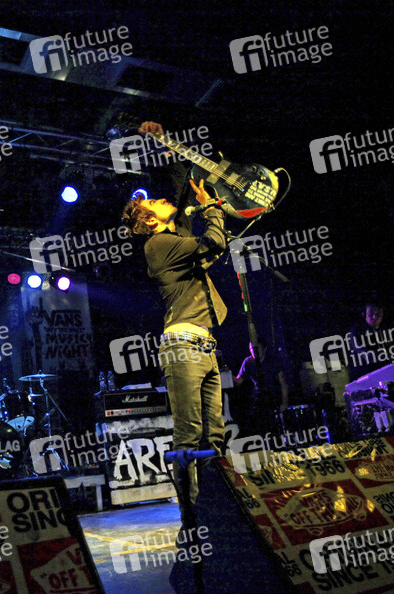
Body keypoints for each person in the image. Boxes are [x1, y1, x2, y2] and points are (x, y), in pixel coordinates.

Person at [121, 121, 227, 525]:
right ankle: (192, 519)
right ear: (149, 221)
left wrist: (165, 147)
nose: (162, 200)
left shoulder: (172, 234)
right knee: (189, 435)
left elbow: (180, 192)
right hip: (182, 346)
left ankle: (218, 510)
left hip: (203, 344)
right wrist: (213, 208)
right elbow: (214, 241)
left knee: (213, 435)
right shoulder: (159, 244)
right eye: (154, 203)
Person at [234, 336, 288, 435]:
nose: (253, 351)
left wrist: (284, 403)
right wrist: (227, 373)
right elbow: (239, 381)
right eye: (251, 349)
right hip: (258, 401)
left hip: (272, 398)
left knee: (274, 428)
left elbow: (283, 383)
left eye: (256, 348)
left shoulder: (272, 361)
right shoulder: (248, 362)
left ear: (264, 348)